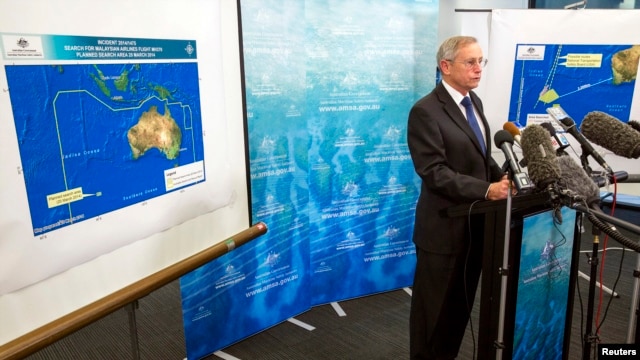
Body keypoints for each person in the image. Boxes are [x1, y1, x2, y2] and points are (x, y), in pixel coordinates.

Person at [406, 35, 513, 359]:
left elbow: (481, 158)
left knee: (458, 312)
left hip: (476, 228)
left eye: (481, 61)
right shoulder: (425, 111)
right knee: (433, 317)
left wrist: (502, 178)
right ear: (445, 66)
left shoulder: (473, 102)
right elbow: (434, 171)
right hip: (443, 232)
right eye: (471, 62)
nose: (479, 69)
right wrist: (486, 190)